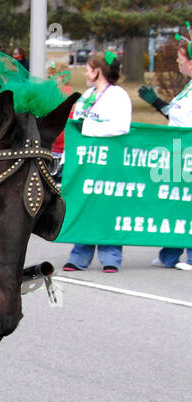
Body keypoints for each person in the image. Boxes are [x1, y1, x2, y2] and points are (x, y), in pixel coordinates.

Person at [62, 50, 132, 273]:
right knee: (85, 206)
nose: (85, 72)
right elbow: (76, 127)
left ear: (98, 71)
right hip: (86, 163)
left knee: (106, 206)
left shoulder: (118, 95)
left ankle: (111, 256)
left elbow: (121, 126)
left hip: (109, 163)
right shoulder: (87, 96)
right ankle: (79, 256)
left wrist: (89, 129)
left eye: (88, 68)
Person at [139, 32, 192, 269]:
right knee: (176, 203)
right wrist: (156, 102)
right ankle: (170, 253)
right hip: (179, 153)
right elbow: (177, 114)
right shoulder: (188, 86)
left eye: (181, 58)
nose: (178, 62)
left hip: (188, 153)